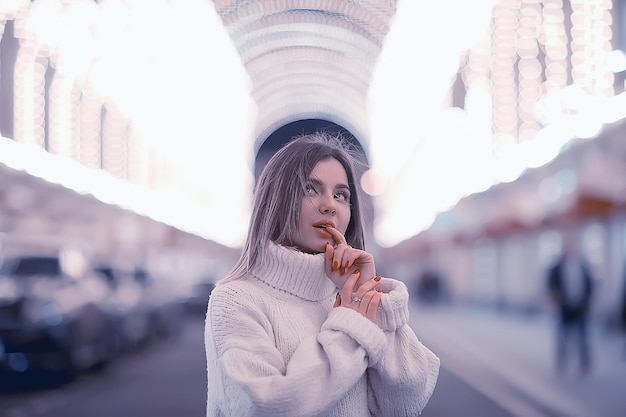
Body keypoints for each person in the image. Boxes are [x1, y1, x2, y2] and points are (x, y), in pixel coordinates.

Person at [204, 131, 440, 416]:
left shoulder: (347, 297)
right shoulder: (236, 299)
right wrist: (352, 324)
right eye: (310, 189)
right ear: (276, 200)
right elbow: (268, 407)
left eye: (341, 195)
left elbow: (404, 402)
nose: (329, 205)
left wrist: (367, 294)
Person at [547, 228, 594, 374]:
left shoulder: (582, 264)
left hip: (580, 304)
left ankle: (584, 362)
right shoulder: (556, 266)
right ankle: (562, 360)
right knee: (562, 335)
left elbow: (590, 283)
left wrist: (589, 300)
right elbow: (550, 283)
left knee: (582, 335)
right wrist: (555, 298)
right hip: (564, 306)